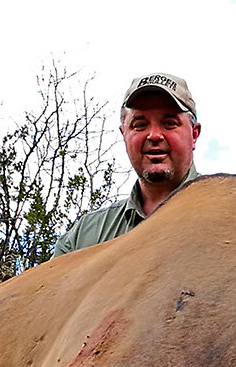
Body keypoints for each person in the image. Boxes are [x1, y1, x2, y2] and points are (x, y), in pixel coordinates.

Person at [51, 72, 201, 257]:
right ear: (124, 134)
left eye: (169, 123)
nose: (154, 135)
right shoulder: (82, 238)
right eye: (140, 124)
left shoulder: (233, 218)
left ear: (194, 134)